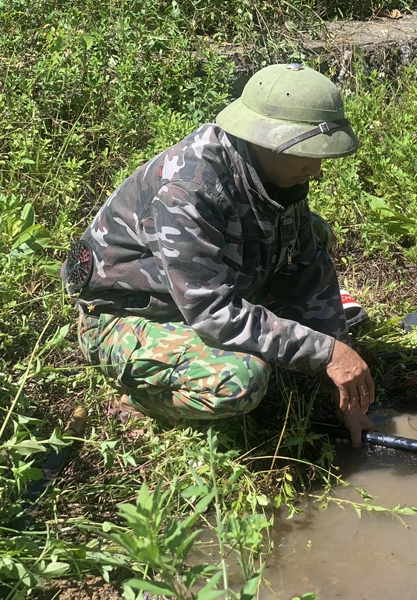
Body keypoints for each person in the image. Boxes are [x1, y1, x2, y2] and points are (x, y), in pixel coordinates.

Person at [62, 64, 374, 446]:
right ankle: (140, 399)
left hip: (197, 293)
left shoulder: (276, 172)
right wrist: (325, 352)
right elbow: (213, 313)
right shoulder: (189, 190)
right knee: (241, 380)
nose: (317, 169)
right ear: (263, 139)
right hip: (125, 314)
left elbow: (306, 266)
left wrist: (337, 372)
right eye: (304, 153)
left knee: (316, 231)